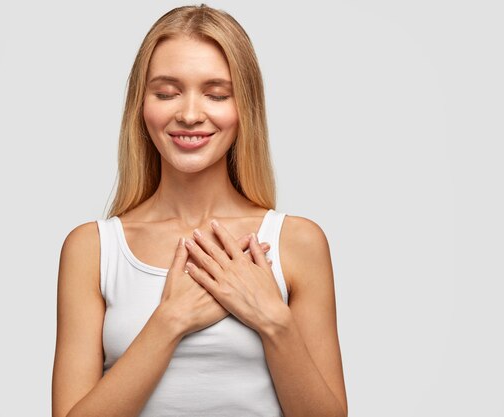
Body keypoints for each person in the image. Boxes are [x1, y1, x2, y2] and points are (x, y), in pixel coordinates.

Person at [52, 4, 347, 417]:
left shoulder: (297, 243)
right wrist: (169, 321)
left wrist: (272, 321)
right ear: (141, 106)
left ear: (245, 107)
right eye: (166, 93)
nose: (190, 115)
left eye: (216, 94)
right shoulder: (92, 249)